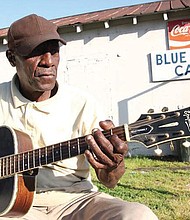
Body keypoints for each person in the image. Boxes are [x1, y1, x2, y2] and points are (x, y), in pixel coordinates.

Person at [0, 14, 158, 220]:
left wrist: (113, 166)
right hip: (10, 207)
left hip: (75, 200)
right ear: (12, 58)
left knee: (138, 215)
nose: (48, 62)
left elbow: (108, 181)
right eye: (36, 52)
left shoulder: (83, 103)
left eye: (54, 51)